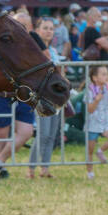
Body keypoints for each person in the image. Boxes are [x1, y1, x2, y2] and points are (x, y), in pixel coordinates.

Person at [28, 21, 62, 178]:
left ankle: (45, 168)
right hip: (42, 93)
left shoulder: (54, 51)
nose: (49, 31)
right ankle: (31, 168)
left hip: (56, 94)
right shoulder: (35, 51)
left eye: (51, 29)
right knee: (42, 133)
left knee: (51, 134)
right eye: (45, 28)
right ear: (37, 30)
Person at [83, 64, 108, 178]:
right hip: (93, 122)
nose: (106, 76)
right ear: (95, 78)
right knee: (89, 150)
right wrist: (96, 100)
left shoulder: (107, 89)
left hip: (105, 121)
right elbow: (90, 109)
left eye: (107, 74)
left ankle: (100, 150)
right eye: (103, 74)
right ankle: (90, 172)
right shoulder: (89, 90)